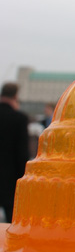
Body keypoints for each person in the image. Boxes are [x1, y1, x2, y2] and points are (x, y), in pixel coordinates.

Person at [0, 83, 29, 223]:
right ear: (15, 96)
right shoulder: (19, 119)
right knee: (11, 223)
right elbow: (22, 153)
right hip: (10, 179)